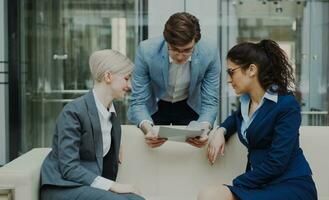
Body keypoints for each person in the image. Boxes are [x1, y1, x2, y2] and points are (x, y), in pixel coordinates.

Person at [198, 40, 317, 200]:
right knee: (208, 195)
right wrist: (221, 131)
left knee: (213, 195)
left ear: (251, 70)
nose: (228, 79)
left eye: (231, 72)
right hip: (259, 185)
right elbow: (235, 119)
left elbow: (277, 162)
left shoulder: (286, 105)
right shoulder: (246, 103)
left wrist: (237, 183)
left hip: (290, 185)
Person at [40, 50, 145, 200]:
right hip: (63, 186)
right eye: (126, 79)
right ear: (108, 76)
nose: (130, 86)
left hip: (88, 187)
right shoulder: (73, 112)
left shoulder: (113, 117)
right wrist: (114, 186)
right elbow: (69, 169)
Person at [128, 12, 221, 148]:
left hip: (190, 104)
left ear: (196, 41)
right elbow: (138, 100)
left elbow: (210, 101)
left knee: (191, 151)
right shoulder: (146, 50)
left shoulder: (210, 52)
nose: (179, 56)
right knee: (151, 149)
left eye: (187, 50)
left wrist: (204, 129)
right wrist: (147, 129)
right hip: (156, 105)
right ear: (166, 41)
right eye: (174, 49)